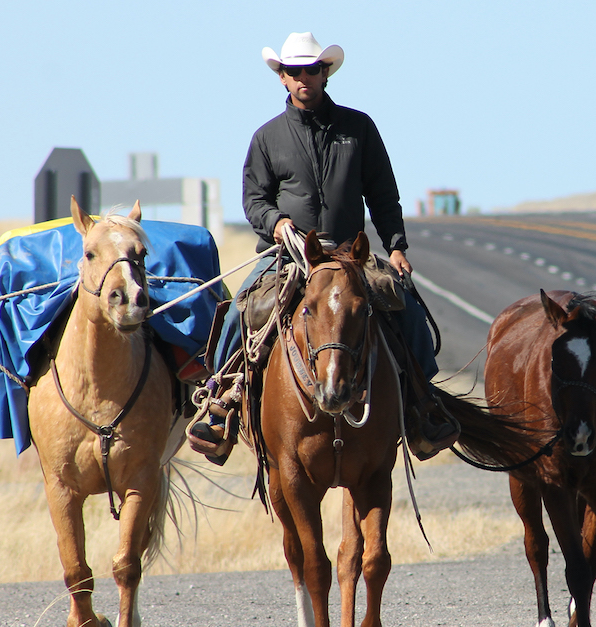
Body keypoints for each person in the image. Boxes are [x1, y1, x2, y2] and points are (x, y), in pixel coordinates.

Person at [188, 31, 456, 463]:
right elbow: (254, 199)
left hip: (351, 253)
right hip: (288, 253)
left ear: (325, 72)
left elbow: (383, 194)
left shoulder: (359, 127)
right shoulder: (267, 137)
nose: (302, 78)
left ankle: (424, 406)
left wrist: (398, 246)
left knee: (405, 306)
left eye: (311, 69)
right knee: (242, 308)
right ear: (282, 78)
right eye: (293, 71)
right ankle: (221, 404)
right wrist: (276, 224)